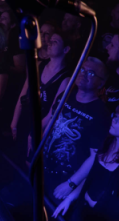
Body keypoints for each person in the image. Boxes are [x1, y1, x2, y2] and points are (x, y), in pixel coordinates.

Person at [41, 56, 111, 197]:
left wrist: (70, 183)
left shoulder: (100, 113)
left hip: (65, 179)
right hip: (44, 168)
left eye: (90, 73)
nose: (83, 74)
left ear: (101, 83)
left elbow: (95, 156)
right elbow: (51, 123)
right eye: (82, 69)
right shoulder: (66, 95)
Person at [9, 26, 70, 163]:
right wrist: (14, 121)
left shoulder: (65, 79)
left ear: (66, 49)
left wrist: (34, 132)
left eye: (55, 41)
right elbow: (23, 93)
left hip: (41, 125)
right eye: (50, 40)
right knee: (17, 157)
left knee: (31, 161)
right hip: (25, 117)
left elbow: (53, 112)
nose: (49, 43)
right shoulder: (39, 65)